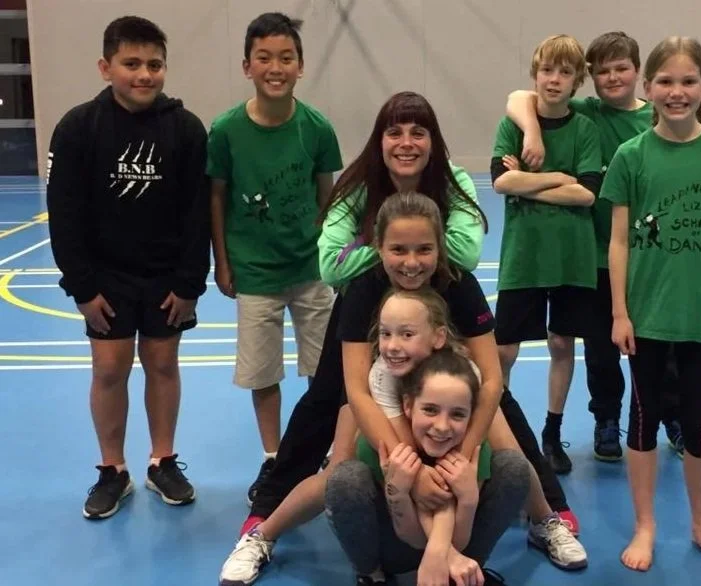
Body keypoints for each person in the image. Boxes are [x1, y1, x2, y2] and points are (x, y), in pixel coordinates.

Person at [218, 91, 489, 586]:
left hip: (432, 310)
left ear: (433, 141)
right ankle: (263, 521)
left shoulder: (454, 182)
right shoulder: (356, 187)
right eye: (395, 131)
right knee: (326, 409)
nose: (406, 143)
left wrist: (385, 247)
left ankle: (549, 513)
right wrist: (389, 253)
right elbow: (330, 264)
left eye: (418, 132)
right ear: (379, 139)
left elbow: (465, 251)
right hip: (366, 318)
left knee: (490, 409)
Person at [335, 193, 587, 571]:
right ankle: (267, 531)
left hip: (449, 392)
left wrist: (464, 454)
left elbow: (490, 380)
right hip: (384, 391)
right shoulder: (362, 290)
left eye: (424, 249)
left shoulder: (459, 285)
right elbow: (356, 389)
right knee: (340, 470)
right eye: (398, 250)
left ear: (440, 247)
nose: (411, 262)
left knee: (505, 441)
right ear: (378, 247)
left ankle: (544, 519)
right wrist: (416, 469)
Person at [601, 35, 701, 572]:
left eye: (688, 81)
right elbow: (618, 240)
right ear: (649, 88)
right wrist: (621, 312)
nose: (676, 91)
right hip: (647, 317)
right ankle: (646, 526)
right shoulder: (630, 156)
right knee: (642, 422)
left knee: (700, 423)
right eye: (665, 81)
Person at [46, 15, 210, 519]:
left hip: (165, 279)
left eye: (154, 64)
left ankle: (162, 460)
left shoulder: (184, 128)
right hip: (106, 278)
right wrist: (82, 286)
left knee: (163, 364)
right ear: (105, 67)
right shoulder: (78, 128)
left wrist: (189, 283)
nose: (145, 74)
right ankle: (112, 469)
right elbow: (64, 212)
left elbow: (197, 211)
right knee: (110, 369)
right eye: (131, 63)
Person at [505, 31, 684, 462]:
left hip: (652, 255)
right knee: (600, 349)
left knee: (662, 346)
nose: (611, 77)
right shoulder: (586, 110)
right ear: (591, 78)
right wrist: (531, 130)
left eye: (621, 68)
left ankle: (672, 417)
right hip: (598, 253)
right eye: (601, 70)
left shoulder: (657, 116)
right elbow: (518, 96)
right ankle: (606, 420)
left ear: (638, 73)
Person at [207, 11, 343, 502]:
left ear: (300, 66)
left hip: (310, 271)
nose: (275, 66)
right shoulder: (225, 131)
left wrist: (333, 259)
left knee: (322, 372)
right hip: (255, 273)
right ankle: (272, 459)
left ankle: (318, 454)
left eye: (286, 57)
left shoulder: (317, 128)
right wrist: (221, 261)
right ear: (247, 66)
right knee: (263, 375)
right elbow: (217, 198)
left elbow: (330, 200)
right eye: (264, 57)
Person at [491, 34, 602, 475]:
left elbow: (588, 195)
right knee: (503, 353)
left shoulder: (585, 130)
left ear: (577, 81)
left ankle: (552, 434)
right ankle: (501, 434)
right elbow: (502, 183)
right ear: (535, 74)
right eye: (547, 70)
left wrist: (532, 180)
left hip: (572, 257)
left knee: (561, 343)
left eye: (565, 72)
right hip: (524, 256)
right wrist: (560, 176)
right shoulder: (513, 124)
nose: (554, 80)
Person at [328, 346, 529, 586]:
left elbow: (460, 538)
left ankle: (465, 571)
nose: (442, 426)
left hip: (458, 541)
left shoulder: (473, 446)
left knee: (514, 467)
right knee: (345, 480)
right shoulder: (383, 443)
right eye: (431, 410)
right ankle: (371, 574)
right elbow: (408, 535)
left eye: (457, 414)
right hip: (397, 544)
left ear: (471, 415)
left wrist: (468, 499)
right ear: (408, 405)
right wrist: (399, 494)